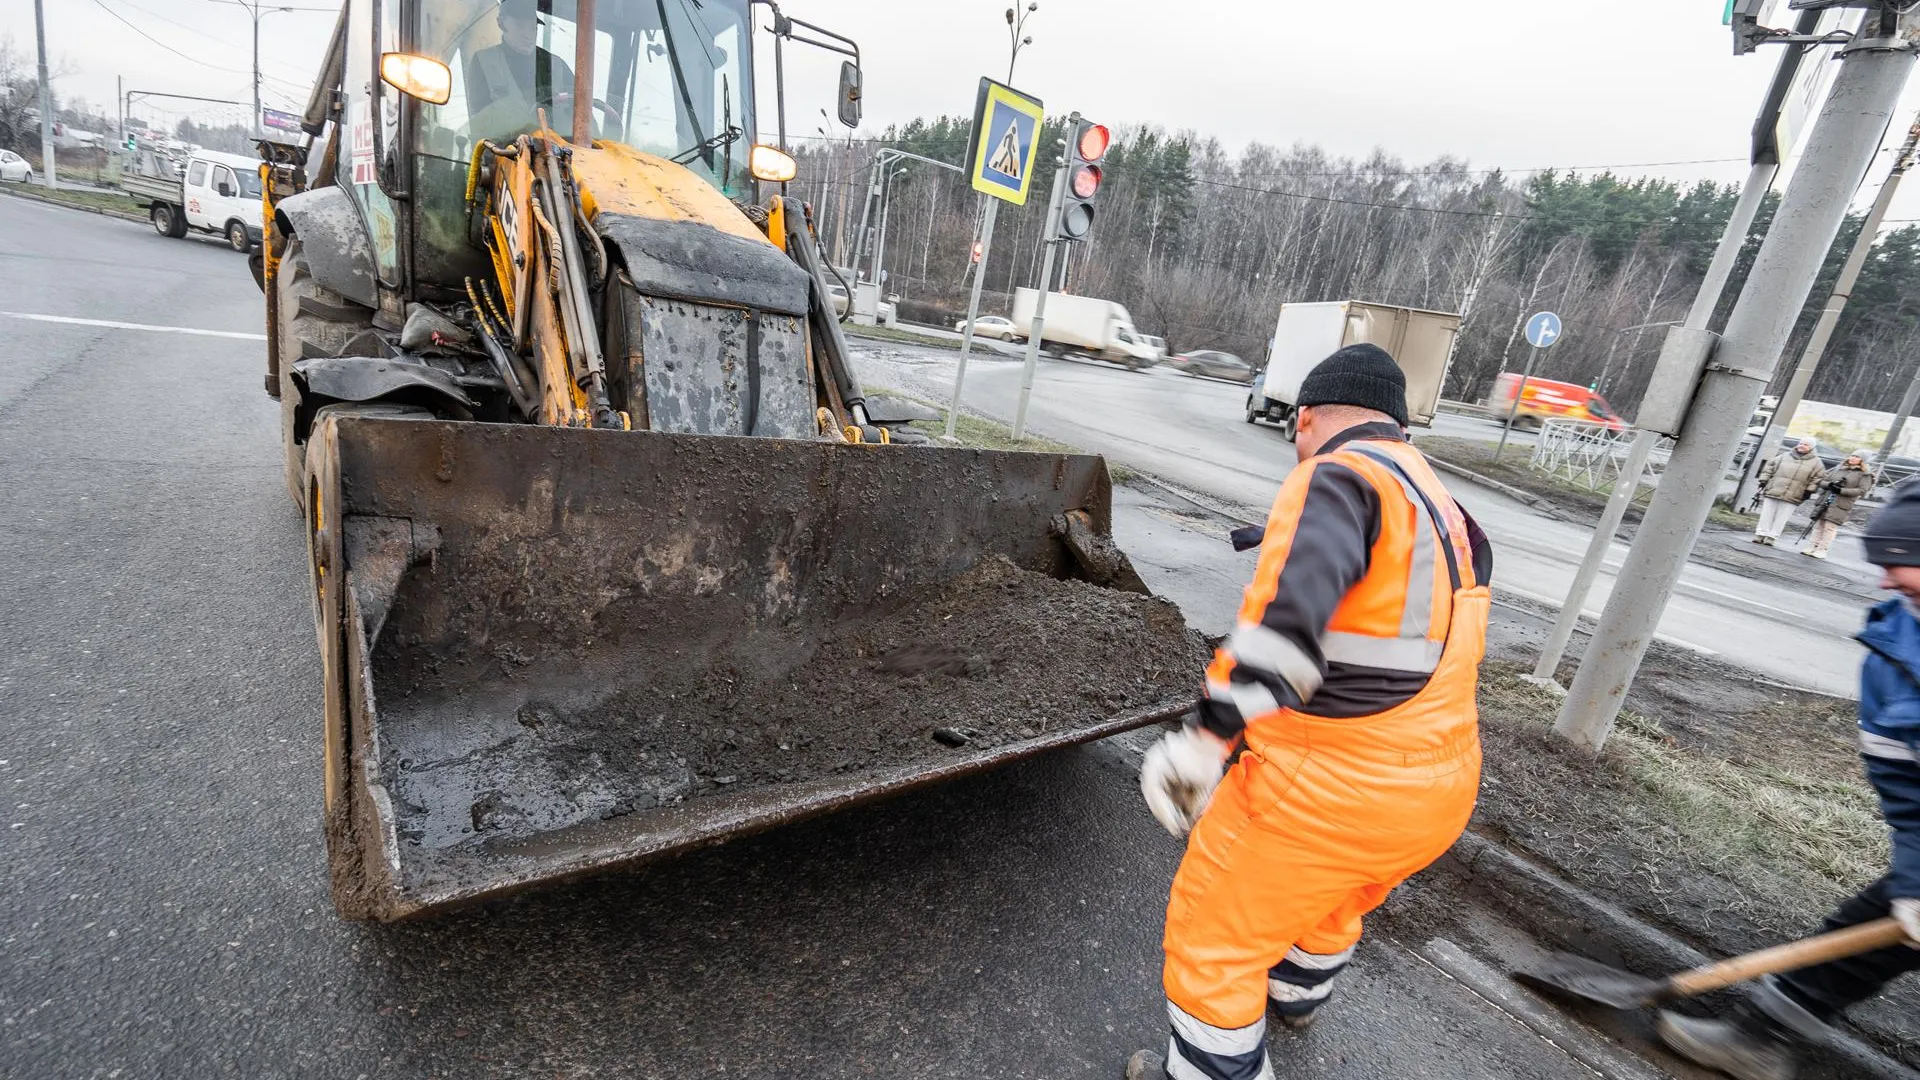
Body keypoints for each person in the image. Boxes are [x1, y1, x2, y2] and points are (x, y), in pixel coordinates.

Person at [1127, 344, 1493, 1080]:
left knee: (1213, 936)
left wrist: (1206, 740)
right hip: (1438, 787)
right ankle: (1295, 993)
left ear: (1305, 420)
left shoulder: (1334, 477)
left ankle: (1211, 1069)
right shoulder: (1440, 503)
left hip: (1330, 793)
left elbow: (1289, 632)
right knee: (1331, 900)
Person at [1656, 484, 1920, 1080]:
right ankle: (1757, 1036)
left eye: (1901, 564)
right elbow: (1906, 785)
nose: (1884, 583)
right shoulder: (1895, 645)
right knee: (1873, 929)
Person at [465, 0, 576, 136]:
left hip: (558, 153)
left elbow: (583, 117)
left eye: (532, 28)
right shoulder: (484, 63)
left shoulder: (557, 66)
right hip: (504, 154)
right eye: (519, 26)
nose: (527, 34)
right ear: (501, 23)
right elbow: (479, 125)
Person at [1802, 452, 1873, 560]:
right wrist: (1830, 485)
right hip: (1826, 499)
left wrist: (1841, 490)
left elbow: (1862, 490)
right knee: (1818, 525)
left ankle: (1822, 549)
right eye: (1852, 455)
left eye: (1857, 457)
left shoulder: (1865, 474)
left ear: (1862, 460)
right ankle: (1812, 546)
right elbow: (1822, 481)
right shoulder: (1840, 468)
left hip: (1841, 503)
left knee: (1829, 527)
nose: (1853, 458)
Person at [1753, 442, 1824, 547]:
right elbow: (1769, 468)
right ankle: (1760, 534)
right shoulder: (1784, 456)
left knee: (1782, 517)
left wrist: (1809, 491)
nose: (1802, 446)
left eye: (1806, 445)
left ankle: (1772, 537)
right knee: (1766, 514)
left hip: (1795, 493)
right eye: (1801, 443)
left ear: (1812, 448)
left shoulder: (1817, 462)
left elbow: (1818, 478)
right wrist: (1764, 480)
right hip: (1774, 488)